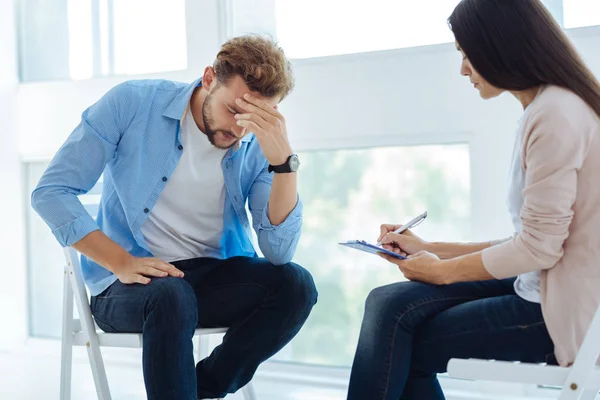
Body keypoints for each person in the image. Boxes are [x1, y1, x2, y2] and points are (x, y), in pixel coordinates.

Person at [32, 35, 317, 400]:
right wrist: (121, 261)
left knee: (296, 285)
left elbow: (278, 252)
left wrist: (283, 164)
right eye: (234, 110)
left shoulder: (259, 144)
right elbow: (51, 192)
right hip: (128, 285)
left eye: (255, 118)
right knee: (170, 294)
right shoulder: (133, 103)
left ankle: (197, 390)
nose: (240, 130)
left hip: (211, 278)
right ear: (209, 78)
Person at [346, 1, 600, 399]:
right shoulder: (547, 108)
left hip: (555, 310)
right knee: (385, 303)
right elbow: (532, 239)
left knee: (397, 341)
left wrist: (442, 271)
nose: (463, 68)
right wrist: (432, 250)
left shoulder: (555, 115)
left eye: (467, 54)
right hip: (537, 283)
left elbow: (539, 247)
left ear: (502, 46)